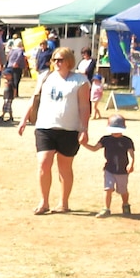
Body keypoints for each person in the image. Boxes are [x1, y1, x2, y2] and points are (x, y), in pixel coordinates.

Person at [17, 47, 91, 215]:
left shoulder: (80, 80)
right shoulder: (45, 77)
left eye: (60, 59)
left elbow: (84, 106)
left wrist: (84, 129)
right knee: (43, 162)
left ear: (69, 61)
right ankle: (44, 202)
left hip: (69, 128)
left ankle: (64, 203)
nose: (57, 63)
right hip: (45, 126)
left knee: (65, 167)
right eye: (54, 60)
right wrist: (23, 119)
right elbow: (34, 99)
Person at [81, 114, 135, 218]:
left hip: (122, 170)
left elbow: (131, 153)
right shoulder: (105, 139)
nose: (116, 132)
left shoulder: (127, 141)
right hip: (109, 169)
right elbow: (94, 148)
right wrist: (84, 144)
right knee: (108, 189)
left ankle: (125, 204)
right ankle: (106, 208)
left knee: (122, 190)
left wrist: (131, 163)